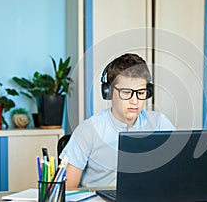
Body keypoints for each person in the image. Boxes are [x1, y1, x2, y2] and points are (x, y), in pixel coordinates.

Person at [60, 53, 174, 188]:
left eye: (141, 93)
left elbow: (179, 172)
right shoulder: (89, 130)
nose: (135, 101)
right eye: (126, 92)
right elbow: (67, 189)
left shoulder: (160, 124)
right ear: (109, 92)